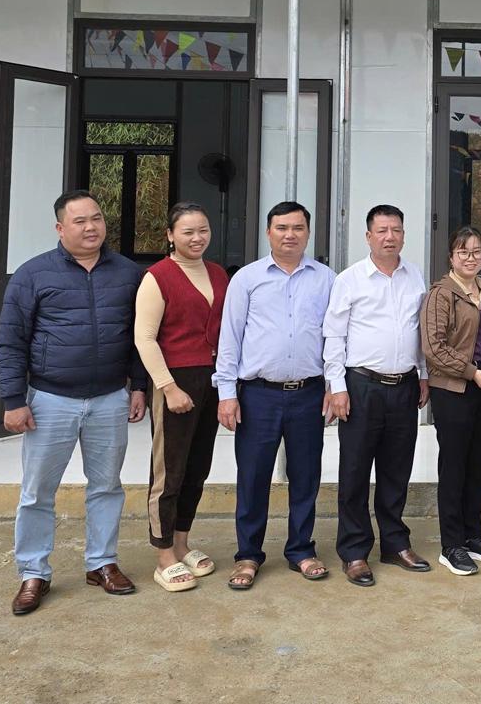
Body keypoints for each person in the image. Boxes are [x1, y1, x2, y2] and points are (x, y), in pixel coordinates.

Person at [0, 190, 147, 615]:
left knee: (106, 487)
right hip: (49, 400)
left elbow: (140, 336)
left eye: (96, 218)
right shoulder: (33, 274)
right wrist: (13, 399)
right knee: (37, 492)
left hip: (109, 399)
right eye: (80, 221)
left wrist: (138, 386)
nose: (91, 227)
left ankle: (101, 563)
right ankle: (33, 572)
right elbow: (10, 341)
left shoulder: (127, 273)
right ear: (60, 228)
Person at [213, 201, 334, 590]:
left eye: (298, 228)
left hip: (308, 394)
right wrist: (227, 392)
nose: (290, 235)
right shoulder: (247, 280)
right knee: (253, 477)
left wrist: (334, 386)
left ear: (308, 233)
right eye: (281, 228)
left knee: (305, 476)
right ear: (268, 232)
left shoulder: (326, 279)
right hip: (258, 396)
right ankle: (248, 554)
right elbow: (229, 339)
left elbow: (335, 340)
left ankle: (301, 549)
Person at [323, 204, 430, 587]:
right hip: (361, 386)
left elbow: (419, 332)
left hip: (403, 386)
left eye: (396, 230)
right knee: (354, 471)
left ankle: (395, 543)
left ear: (404, 234)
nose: (389, 237)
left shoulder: (414, 276)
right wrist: (337, 387)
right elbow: (334, 336)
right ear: (368, 236)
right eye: (382, 230)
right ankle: (354, 551)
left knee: (396, 469)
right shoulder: (350, 280)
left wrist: (422, 374)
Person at [134, 202, 228, 592]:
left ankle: (183, 542)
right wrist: (168, 387)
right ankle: (163, 554)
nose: (196, 238)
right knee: (168, 472)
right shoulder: (158, 277)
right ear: (170, 235)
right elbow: (144, 337)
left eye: (202, 230)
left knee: (198, 467)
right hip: (175, 379)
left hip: (213, 379)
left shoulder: (219, 273)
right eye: (187, 231)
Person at [421, 226, 481, 576]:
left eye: (477, 251)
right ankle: (451, 544)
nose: (471, 258)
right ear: (451, 257)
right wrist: (472, 373)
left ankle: (473, 534)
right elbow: (433, 349)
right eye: (463, 252)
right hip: (453, 389)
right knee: (454, 466)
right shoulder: (440, 294)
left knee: (479, 464)